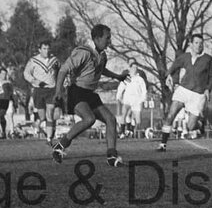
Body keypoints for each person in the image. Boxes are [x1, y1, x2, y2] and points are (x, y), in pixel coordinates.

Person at [51, 24, 128, 167]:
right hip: (77, 91)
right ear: (97, 38)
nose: (109, 41)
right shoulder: (83, 52)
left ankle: (111, 156)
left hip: (90, 94)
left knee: (111, 119)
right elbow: (63, 70)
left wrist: (117, 77)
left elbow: (101, 69)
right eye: (107, 38)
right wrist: (58, 91)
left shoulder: (102, 55)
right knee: (89, 119)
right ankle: (60, 146)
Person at [155, 33, 212, 152]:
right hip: (183, 90)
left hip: (198, 95)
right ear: (190, 44)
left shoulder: (208, 59)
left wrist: (207, 89)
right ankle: (163, 144)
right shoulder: (185, 57)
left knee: (190, 127)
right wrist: (168, 75)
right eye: (196, 43)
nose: (199, 45)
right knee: (170, 115)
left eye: (201, 43)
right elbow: (174, 66)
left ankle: (200, 124)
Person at [24, 40, 59, 141]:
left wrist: (63, 81)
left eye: (48, 49)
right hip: (38, 90)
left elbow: (61, 71)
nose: (46, 51)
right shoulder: (33, 61)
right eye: (44, 49)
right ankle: (38, 122)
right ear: (39, 50)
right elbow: (26, 74)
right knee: (42, 116)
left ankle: (49, 138)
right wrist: (34, 80)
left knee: (50, 112)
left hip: (51, 89)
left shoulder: (55, 60)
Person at [116, 62, 148, 138]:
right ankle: (122, 132)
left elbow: (144, 90)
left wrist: (142, 100)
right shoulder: (127, 78)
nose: (135, 69)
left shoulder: (140, 79)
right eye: (133, 68)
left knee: (138, 119)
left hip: (137, 101)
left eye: (136, 68)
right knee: (124, 115)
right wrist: (118, 97)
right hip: (127, 100)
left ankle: (134, 132)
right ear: (130, 68)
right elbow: (121, 88)